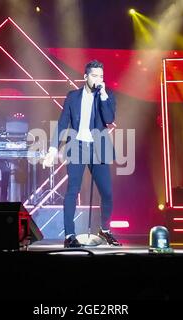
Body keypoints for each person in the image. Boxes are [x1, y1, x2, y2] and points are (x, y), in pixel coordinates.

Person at [43, 60, 121, 248]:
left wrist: (102, 95)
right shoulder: (72, 97)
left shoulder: (107, 95)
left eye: (101, 76)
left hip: (98, 147)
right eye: (94, 75)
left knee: (107, 193)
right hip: (77, 146)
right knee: (72, 190)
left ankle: (105, 229)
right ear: (85, 77)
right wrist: (53, 149)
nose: (98, 79)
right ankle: (70, 235)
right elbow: (63, 123)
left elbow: (109, 119)